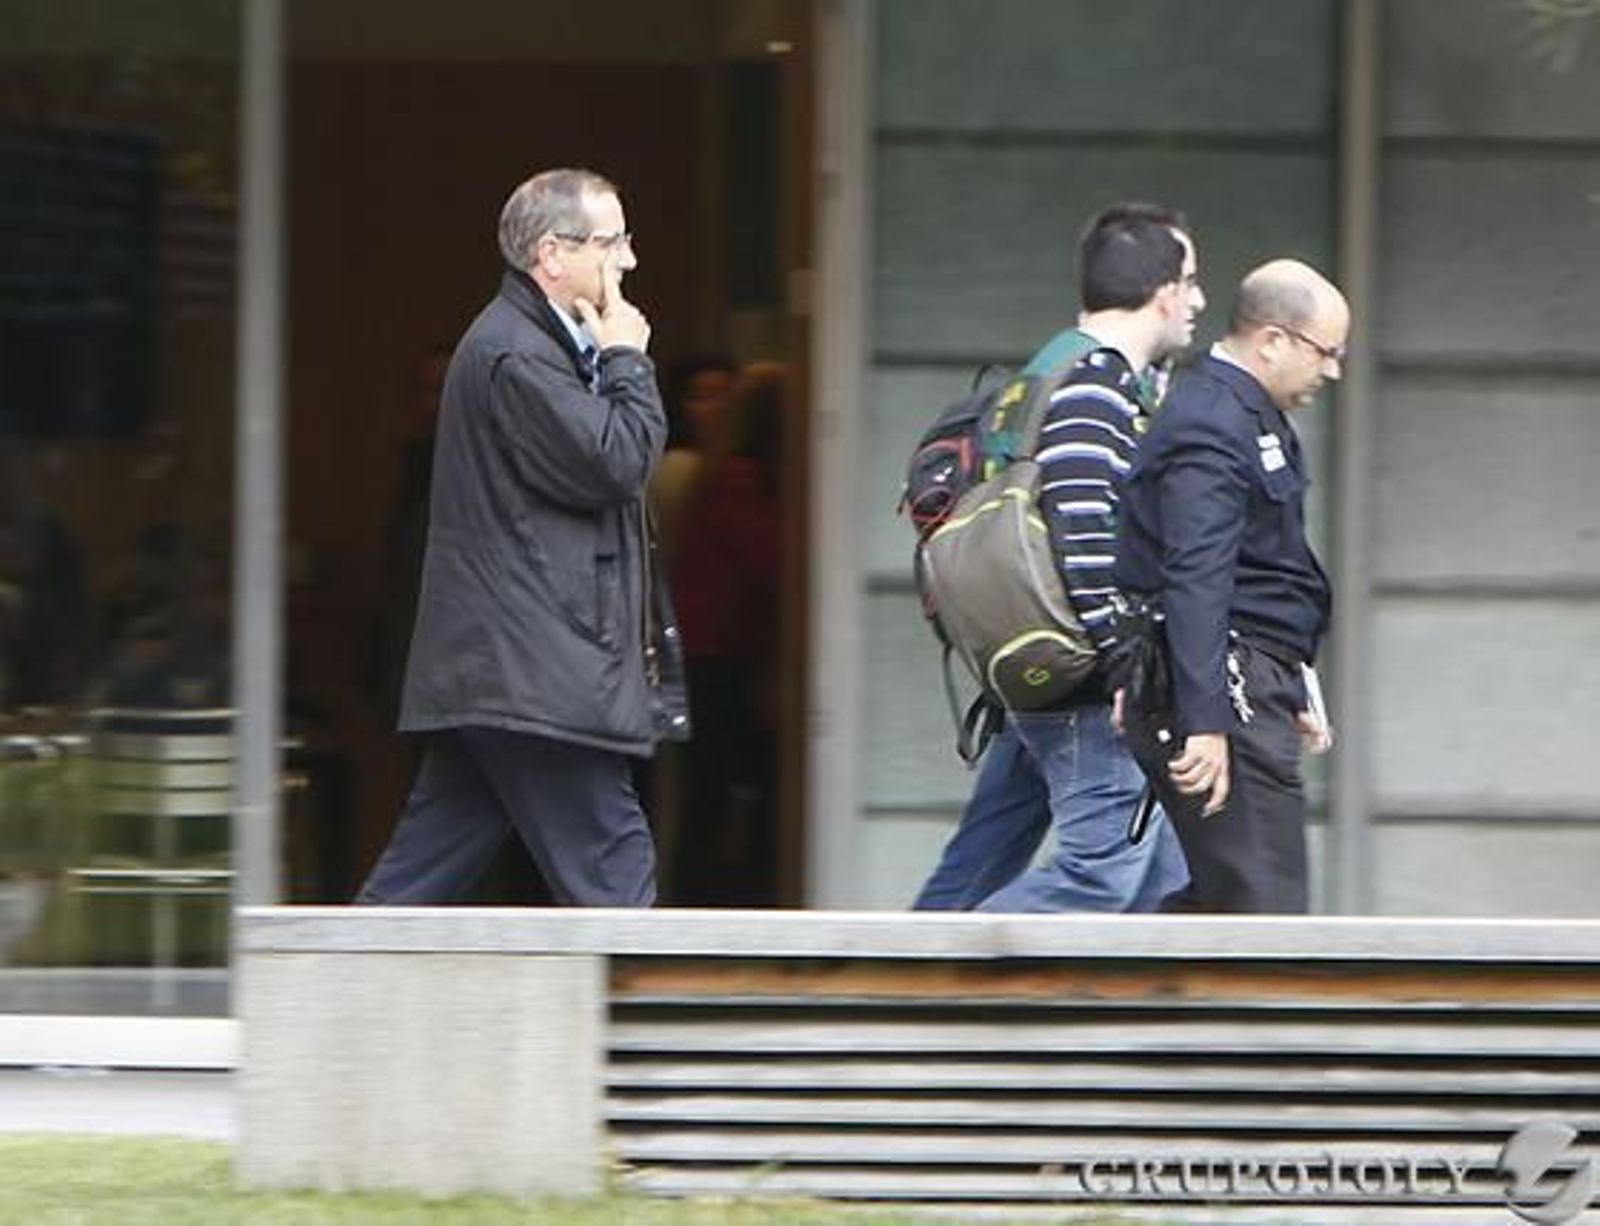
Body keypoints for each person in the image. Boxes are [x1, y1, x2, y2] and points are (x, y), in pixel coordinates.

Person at [356, 167, 687, 907]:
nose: (628, 261)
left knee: (418, 875)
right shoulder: (518, 356)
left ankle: (325, 1006)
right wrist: (629, 359)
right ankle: (637, 1021)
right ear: (551, 254)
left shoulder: (535, 347)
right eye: (614, 241)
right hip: (536, 666)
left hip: (514, 664)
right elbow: (620, 461)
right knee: (614, 863)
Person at [915, 204, 1200, 912]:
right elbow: (1082, 532)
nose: (1197, 300)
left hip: (1038, 661)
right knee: (1104, 882)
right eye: (1191, 281)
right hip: (1082, 675)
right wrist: (1124, 661)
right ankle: (927, 982)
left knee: (1151, 886)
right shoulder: (1093, 389)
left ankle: (898, 975)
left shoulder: (1048, 373)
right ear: (1163, 290)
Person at [1113, 258, 1345, 913]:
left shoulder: (1247, 413)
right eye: (1326, 352)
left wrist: (1295, 678)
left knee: (1230, 905)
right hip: (1228, 695)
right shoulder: (1212, 420)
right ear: (1273, 340)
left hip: (1249, 684)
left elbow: (1268, 567)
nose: (1333, 371)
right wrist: (1205, 722)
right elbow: (1196, 576)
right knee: (1264, 915)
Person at [666, 362, 784, 905]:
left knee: (711, 787)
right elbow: (770, 560)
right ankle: (701, 901)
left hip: (707, 650)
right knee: (718, 787)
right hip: (714, 654)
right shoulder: (741, 479)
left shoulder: (722, 474)